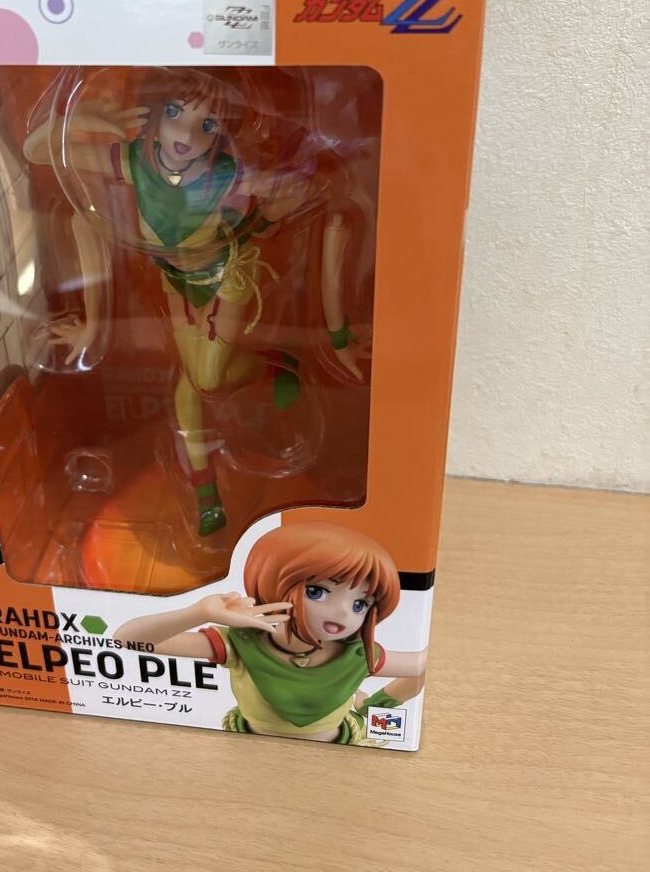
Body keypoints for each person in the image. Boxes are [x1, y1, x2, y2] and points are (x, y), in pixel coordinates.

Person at [24, 68, 371, 535]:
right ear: (153, 115)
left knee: (205, 379)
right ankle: (207, 497)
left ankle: (275, 368)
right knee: (190, 383)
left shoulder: (229, 177)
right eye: (174, 113)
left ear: (221, 134)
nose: (186, 135)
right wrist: (80, 117)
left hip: (230, 279)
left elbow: (325, 199)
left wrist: (338, 332)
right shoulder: (135, 162)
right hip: (176, 286)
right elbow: (36, 151)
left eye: (207, 124)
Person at [115, 521, 426, 743]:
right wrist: (199, 612)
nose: (344, 613)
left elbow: (424, 666)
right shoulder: (240, 643)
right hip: (248, 752)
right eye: (317, 591)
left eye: (360, 604)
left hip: (339, 753)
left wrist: (377, 706)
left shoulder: (357, 655)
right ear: (272, 582)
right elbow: (127, 639)